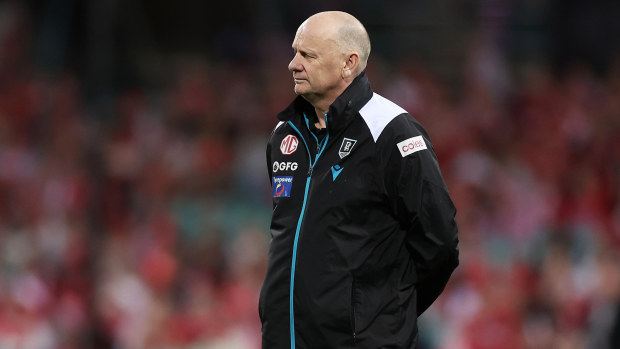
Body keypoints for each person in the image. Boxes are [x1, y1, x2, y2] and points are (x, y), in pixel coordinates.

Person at [259, 11, 459, 348]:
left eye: (307, 55)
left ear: (348, 63)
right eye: (295, 52)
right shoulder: (284, 136)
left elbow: (439, 246)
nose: (293, 64)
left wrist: (380, 315)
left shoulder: (392, 131)